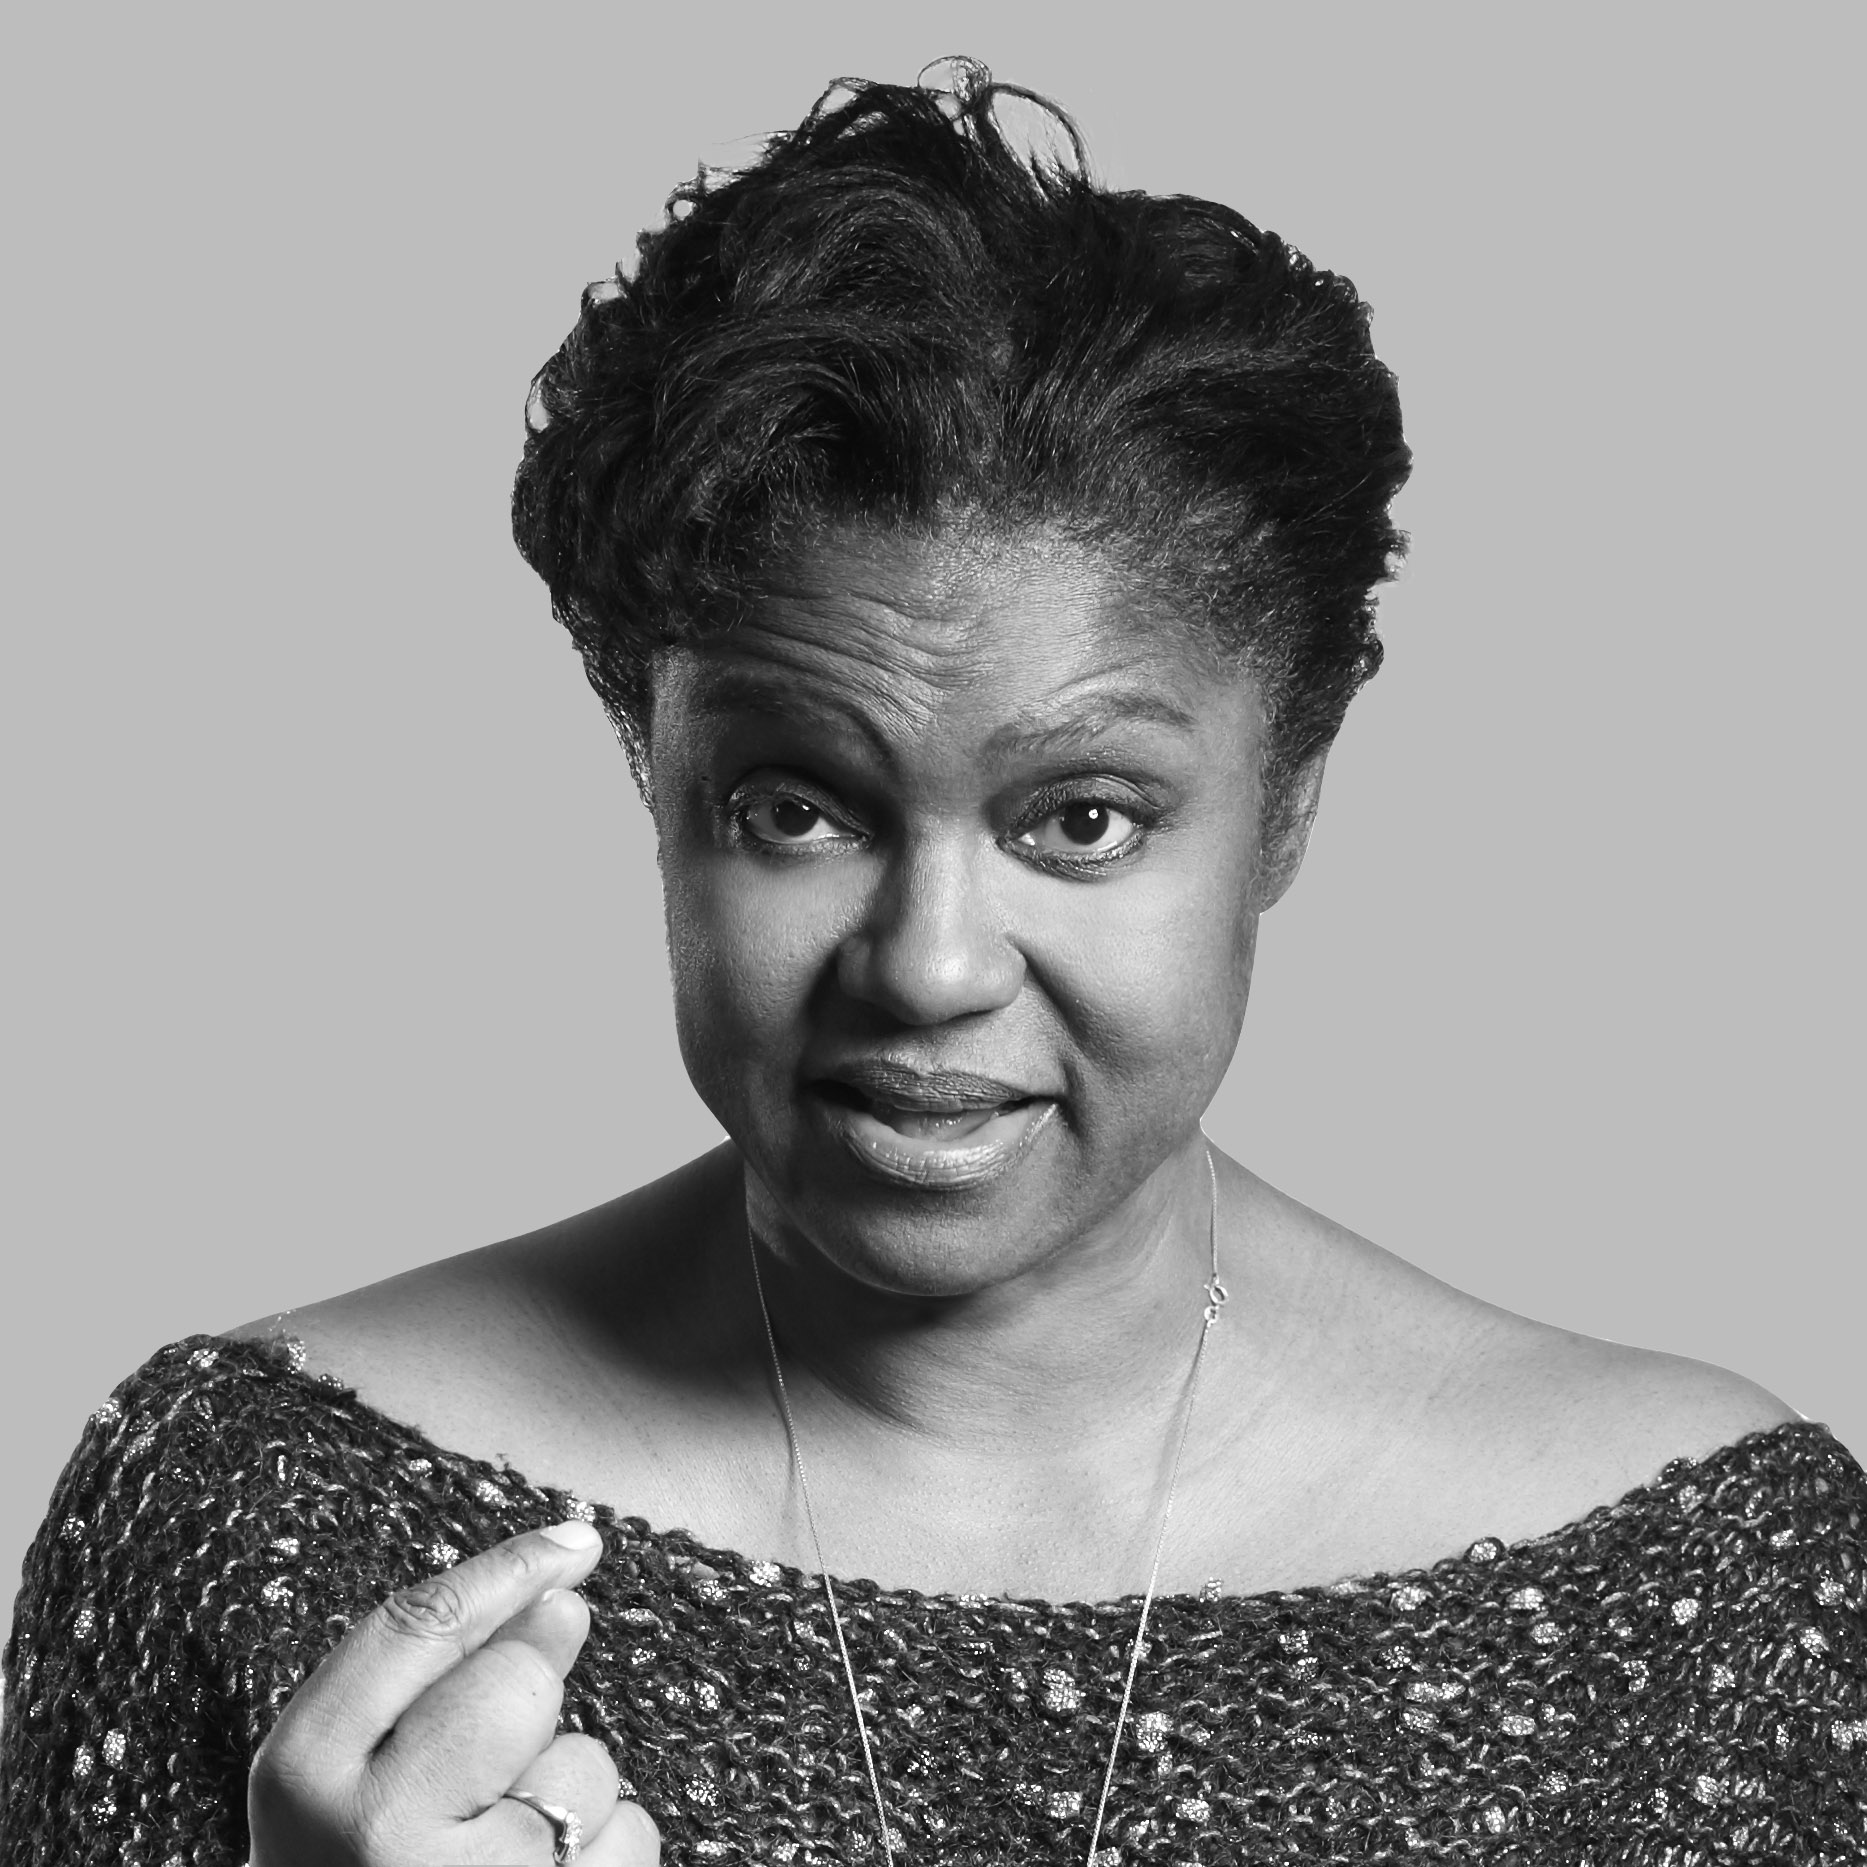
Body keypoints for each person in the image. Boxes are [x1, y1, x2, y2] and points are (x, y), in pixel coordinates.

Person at [4, 62, 1861, 1867]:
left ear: (1285, 810)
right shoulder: (264, 1513)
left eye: (1085, 820)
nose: (931, 967)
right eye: (798, 809)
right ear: (655, 779)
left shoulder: (1700, 1596)